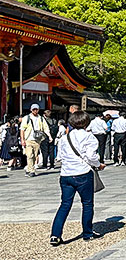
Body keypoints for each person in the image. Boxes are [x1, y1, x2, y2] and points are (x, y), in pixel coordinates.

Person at [50, 110, 105, 245]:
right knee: (87, 204)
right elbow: (91, 156)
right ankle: (87, 233)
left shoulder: (64, 138)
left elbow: (60, 157)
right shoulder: (89, 137)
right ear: (86, 122)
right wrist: (98, 165)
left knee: (65, 204)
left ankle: (55, 235)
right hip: (82, 173)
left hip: (66, 174)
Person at [20, 103, 52, 177]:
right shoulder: (26, 118)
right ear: (31, 110)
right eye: (33, 109)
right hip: (28, 139)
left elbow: (46, 128)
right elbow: (22, 129)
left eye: (36, 109)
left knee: (34, 156)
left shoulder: (41, 118)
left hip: (37, 140)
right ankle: (32, 171)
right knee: (29, 155)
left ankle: (28, 169)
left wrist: (49, 136)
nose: (35, 111)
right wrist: (22, 140)